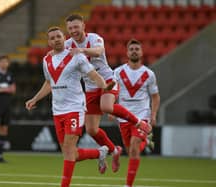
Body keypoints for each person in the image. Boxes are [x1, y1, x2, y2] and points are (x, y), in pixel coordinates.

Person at [25, 26, 115, 187]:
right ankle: (100, 152)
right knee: (70, 153)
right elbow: (49, 83)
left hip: (75, 108)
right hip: (57, 110)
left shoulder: (76, 56)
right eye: (52, 38)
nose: (56, 40)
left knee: (68, 150)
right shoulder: (47, 60)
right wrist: (35, 98)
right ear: (49, 42)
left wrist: (105, 86)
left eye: (58, 36)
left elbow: (93, 74)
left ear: (63, 38)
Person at [64, 14, 152, 173]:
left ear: (83, 26)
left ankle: (139, 122)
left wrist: (81, 50)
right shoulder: (67, 44)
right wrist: (51, 54)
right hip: (90, 88)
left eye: (76, 27)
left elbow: (98, 52)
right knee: (91, 130)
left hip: (107, 80)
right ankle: (114, 150)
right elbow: (58, 56)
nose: (73, 31)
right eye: (70, 28)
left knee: (106, 106)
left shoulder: (95, 38)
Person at [113, 39, 160, 187]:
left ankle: (128, 185)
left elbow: (155, 96)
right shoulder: (118, 72)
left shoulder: (149, 74)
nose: (134, 51)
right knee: (131, 150)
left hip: (141, 116)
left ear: (141, 53)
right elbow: (113, 91)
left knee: (133, 147)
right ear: (127, 53)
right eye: (131, 49)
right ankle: (145, 141)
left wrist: (153, 115)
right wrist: (112, 107)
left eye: (137, 49)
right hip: (124, 117)